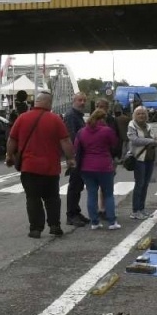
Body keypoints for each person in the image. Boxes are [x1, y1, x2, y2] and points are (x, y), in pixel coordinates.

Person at [5, 90, 76, 239]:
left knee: (33, 198)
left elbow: (12, 139)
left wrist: (9, 155)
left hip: (29, 167)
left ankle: (36, 229)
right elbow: (65, 141)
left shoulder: (22, 118)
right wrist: (70, 158)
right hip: (50, 168)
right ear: (49, 104)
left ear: (36, 103)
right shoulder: (55, 119)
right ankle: (54, 226)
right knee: (52, 198)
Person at [75, 108, 121, 230]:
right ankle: (112, 222)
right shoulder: (107, 131)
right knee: (108, 194)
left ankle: (94, 222)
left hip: (86, 167)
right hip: (104, 166)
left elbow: (77, 148)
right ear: (103, 118)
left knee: (91, 194)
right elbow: (114, 144)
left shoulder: (82, 132)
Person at [126, 106, 157, 220]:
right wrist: (150, 141)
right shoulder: (132, 125)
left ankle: (142, 209)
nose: (141, 115)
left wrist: (155, 142)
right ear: (135, 115)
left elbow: (155, 139)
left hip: (150, 157)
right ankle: (135, 211)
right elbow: (134, 140)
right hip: (139, 158)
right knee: (139, 184)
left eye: (143, 113)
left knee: (145, 185)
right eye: (139, 113)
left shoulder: (149, 126)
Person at [62, 91, 89, 227]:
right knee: (74, 186)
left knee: (78, 186)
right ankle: (71, 215)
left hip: (81, 155)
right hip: (76, 156)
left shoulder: (77, 116)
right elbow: (71, 137)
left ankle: (76, 211)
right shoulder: (71, 116)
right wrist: (71, 157)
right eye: (80, 100)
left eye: (84, 100)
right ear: (74, 101)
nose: (82, 103)